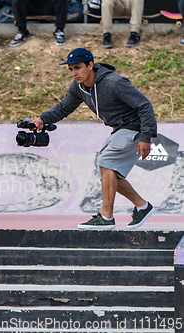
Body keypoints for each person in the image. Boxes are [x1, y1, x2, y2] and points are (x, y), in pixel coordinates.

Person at [31, 48, 157, 230]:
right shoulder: (78, 87)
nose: (74, 73)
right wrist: (43, 119)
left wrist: (146, 136)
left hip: (134, 127)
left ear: (90, 65)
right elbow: (63, 107)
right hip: (120, 129)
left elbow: (144, 105)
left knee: (105, 163)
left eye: (78, 68)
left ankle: (106, 217)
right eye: (71, 69)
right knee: (107, 173)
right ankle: (143, 206)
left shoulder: (114, 82)